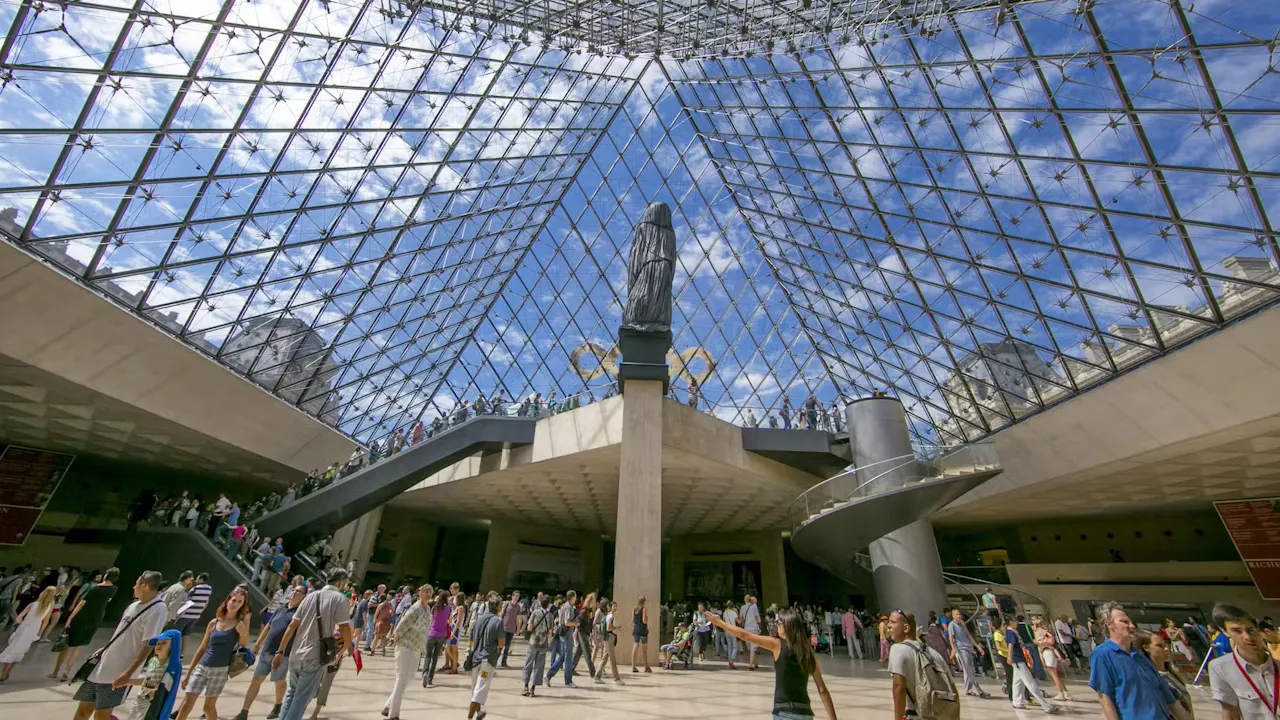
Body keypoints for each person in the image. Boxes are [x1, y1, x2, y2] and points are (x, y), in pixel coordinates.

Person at [706, 606, 838, 720]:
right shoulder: (808, 653)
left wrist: (721, 623)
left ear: (787, 625)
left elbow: (745, 636)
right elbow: (823, 691)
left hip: (784, 712)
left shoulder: (777, 645)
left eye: (779, 622)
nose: (776, 625)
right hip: (805, 713)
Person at [72, 572, 168, 720]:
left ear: (145, 586)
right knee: (82, 711)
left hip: (118, 673)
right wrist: (106, 648)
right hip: (102, 666)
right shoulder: (133, 606)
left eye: (137, 584)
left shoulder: (158, 609)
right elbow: (121, 633)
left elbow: (149, 644)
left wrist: (128, 673)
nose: (134, 587)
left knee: (101, 716)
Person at [272, 569, 355, 720]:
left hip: (296, 653)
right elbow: (344, 627)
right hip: (315, 655)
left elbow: (292, 625)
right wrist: (343, 649)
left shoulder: (310, 596)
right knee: (302, 698)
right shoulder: (339, 598)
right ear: (339, 582)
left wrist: (279, 651)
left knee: (292, 692)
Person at [1089, 601, 1179, 720]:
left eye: (1131, 622)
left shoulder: (1139, 656)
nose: (1132, 626)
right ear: (1109, 625)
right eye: (1125, 622)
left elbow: (1168, 697)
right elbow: (1105, 698)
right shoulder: (1102, 655)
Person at [173, 588, 250, 720]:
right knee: (186, 704)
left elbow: (243, 646)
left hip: (220, 670)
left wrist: (242, 632)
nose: (235, 604)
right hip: (202, 667)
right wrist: (189, 672)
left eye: (239, 602)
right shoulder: (214, 623)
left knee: (208, 707)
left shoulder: (239, 625)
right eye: (234, 600)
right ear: (227, 601)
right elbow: (202, 648)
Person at [238, 585, 305, 720]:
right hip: (266, 652)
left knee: (279, 681)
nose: (294, 592)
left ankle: (278, 705)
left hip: (282, 655)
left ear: (303, 597)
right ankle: (244, 711)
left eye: (298, 591)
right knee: (256, 680)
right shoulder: (281, 608)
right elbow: (268, 626)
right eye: (294, 590)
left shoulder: (300, 613)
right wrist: (257, 644)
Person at [886, 610, 960, 720]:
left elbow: (899, 687)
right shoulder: (934, 653)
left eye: (892, 622)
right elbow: (952, 688)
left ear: (906, 628)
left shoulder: (898, 649)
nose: (888, 625)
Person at [1209, 602, 1277, 720]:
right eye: (1237, 631)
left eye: (1250, 630)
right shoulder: (1220, 668)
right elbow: (1229, 713)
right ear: (1225, 631)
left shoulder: (1276, 664)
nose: (1247, 637)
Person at [53, 567, 121, 681]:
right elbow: (108, 600)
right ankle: (67, 671)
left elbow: (82, 604)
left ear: (106, 575)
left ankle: (56, 671)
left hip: (83, 616)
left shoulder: (94, 588)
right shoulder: (114, 589)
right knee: (78, 647)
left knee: (67, 643)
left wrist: (70, 617)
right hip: (95, 618)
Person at [384, 584, 431, 720]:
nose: (428, 594)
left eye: (430, 592)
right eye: (425, 592)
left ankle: (388, 705)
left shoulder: (428, 609)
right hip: (405, 646)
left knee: (409, 678)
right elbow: (402, 624)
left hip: (417, 647)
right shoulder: (415, 608)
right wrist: (395, 638)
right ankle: (394, 714)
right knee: (401, 679)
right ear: (420, 593)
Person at [0, 585, 57, 680]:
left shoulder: (33, 604)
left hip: (23, 628)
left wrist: (19, 620)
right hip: (33, 631)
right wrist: (39, 633)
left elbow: (19, 616)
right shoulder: (49, 607)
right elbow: (46, 622)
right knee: (19, 651)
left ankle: (3, 675)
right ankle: (6, 674)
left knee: (12, 649)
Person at [124, 630, 182, 720]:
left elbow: (167, 687)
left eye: (164, 643)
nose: (159, 646)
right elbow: (147, 681)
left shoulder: (172, 666)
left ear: (173, 646)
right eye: (157, 643)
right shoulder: (152, 661)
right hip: (139, 701)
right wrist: (127, 681)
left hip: (153, 705)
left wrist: (155, 691)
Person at [1136, 630, 1193, 720]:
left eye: (1165, 645)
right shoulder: (1149, 678)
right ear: (1146, 648)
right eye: (1160, 646)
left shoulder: (1170, 673)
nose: (1166, 649)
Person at [1006, 616, 1059, 713]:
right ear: (1010, 622)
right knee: (1030, 683)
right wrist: (1009, 657)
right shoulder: (1010, 632)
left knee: (1017, 682)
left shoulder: (1014, 631)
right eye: (1014, 621)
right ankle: (1046, 706)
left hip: (1019, 659)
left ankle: (1017, 701)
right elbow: (1010, 645)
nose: (1016, 623)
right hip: (1018, 660)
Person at [468, 591, 505, 720]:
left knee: (475, 688)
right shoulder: (498, 622)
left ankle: (478, 712)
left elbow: (472, 636)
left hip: (476, 657)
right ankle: (469, 717)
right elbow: (501, 643)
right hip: (488, 660)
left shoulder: (479, 619)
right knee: (480, 690)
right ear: (498, 607)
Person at [947, 609, 990, 698]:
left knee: (968, 670)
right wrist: (953, 649)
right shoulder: (951, 625)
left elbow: (968, 635)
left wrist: (977, 646)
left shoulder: (962, 624)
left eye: (959, 614)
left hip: (968, 648)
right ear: (953, 616)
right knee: (970, 671)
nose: (959, 616)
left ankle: (968, 690)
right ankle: (980, 691)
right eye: (957, 614)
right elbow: (951, 637)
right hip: (961, 650)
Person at [521, 595, 554, 697]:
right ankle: (533, 688)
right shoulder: (550, 616)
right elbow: (550, 633)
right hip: (543, 643)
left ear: (540, 603)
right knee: (539, 667)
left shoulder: (535, 613)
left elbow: (529, 627)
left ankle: (525, 686)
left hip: (533, 642)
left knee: (528, 664)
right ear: (548, 604)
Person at [1034, 616, 1070, 701]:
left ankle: (1060, 693)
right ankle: (1065, 692)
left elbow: (1049, 642)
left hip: (1047, 652)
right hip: (1049, 652)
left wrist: (1038, 642)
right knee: (1055, 674)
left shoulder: (1041, 632)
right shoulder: (1046, 631)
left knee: (1054, 674)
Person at [422, 590, 451, 687]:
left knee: (427, 656)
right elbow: (450, 622)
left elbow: (431, 620)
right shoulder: (448, 609)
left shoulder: (435, 607)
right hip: (441, 635)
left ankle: (424, 674)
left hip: (432, 633)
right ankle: (430, 678)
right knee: (435, 658)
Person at [498, 591, 520, 668]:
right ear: (512, 596)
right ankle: (494, 661)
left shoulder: (518, 606)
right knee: (500, 645)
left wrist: (518, 628)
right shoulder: (507, 604)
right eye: (515, 595)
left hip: (511, 629)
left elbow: (517, 618)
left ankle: (504, 662)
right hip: (504, 627)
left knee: (507, 647)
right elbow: (502, 614)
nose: (516, 597)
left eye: (518, 596)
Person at [741, 594, 762, 670]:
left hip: (746, 629)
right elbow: (758, 618)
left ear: (744, 600)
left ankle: (754, 663)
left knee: (750, 648)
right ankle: (751, 664)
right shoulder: (754, 607)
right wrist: (759, 625)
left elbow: (741, 619)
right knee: (753, 647)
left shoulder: (742, 607)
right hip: (754, 628)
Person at [631, 595, 651, 673]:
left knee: (635, 647)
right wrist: (647, 618)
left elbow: (633, 620)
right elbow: (644, 621)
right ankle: (646, 667)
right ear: (644, 602)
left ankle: (633, 666)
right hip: (643, 630)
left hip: (636, 630)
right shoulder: (644, 609)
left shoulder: (634, 609)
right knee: (644, 650)